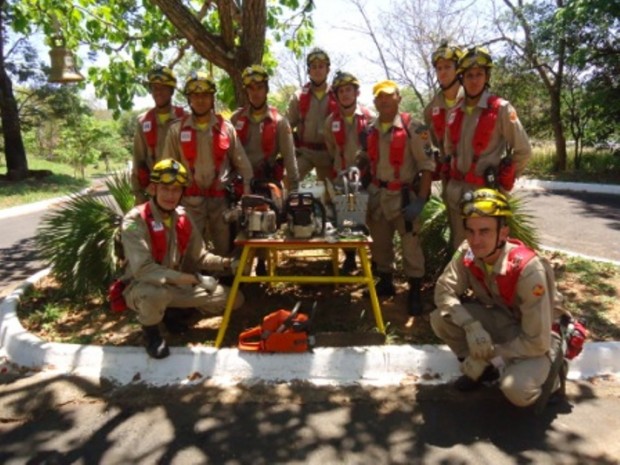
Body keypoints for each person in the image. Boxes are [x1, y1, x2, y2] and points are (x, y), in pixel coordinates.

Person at [431, 188, 565, 408]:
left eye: (484, 231)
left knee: (515, 389)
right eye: (470, 231)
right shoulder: (469, 252)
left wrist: (487, 354)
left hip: (539, 336)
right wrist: (471, 326)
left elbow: (537, 341)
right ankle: (487, 372)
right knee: (441, 318)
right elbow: (443, 290)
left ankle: (553, 380)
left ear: (503, 233)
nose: (475, 240)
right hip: (505, 320)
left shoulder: (528, 270)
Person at [120, 159, 243, 359]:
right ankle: (151, 334)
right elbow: (145, 270)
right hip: (143, 287)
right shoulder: (134, 221)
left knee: (234, 299)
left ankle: (172, 311)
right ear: (153, 189)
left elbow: (200, 256)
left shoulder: (183, 217)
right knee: (154, 294)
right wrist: (195, 279)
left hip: (176, 286)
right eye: (165, 189)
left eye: (176, 190)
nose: (171, 195)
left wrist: (227, 263)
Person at [444, 46, 532, 249]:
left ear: (487, 77)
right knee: (460, 250)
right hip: (457, 195)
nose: (474, 80)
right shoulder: (454, 112)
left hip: (487, 196)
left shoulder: (500, 109)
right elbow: (449, 151)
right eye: (469, 75)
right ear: (462, 78)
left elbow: (524, 150)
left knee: (487, 250)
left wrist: (505, 181)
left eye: (479, 74)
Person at [363, 80, 435, 321]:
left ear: (398, 98)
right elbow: (366, 160)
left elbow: (427, 166)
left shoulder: (414, 128)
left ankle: (415, 291)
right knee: (380, 244)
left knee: (411, 246)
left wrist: (421, 200)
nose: (384, 100)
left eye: (388, 95)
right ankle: (386, 282)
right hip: (378, 196)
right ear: (374, 102)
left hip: (404, 198)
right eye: (379, 97)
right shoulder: (370, 130)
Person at [162, 71, 253, 257]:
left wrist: (247, 193)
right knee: (190, 252)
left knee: (224, 250)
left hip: (220, 203)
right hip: (190, 203)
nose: (200, 100)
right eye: (195, 95)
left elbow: (244, 166)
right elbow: (167, 169)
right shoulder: (176, 130)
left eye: (205, 95)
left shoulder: (226, 129)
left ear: (212, 98)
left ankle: (225, 275)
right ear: (189, 99)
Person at [231, 64, 300, 275]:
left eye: (260, 87)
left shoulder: (280, 122)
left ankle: (262, 264)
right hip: (241, 184)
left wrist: (293, 194)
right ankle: (238, 271)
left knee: (263, 227)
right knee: (239, 229)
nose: (256, 92)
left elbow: (290, 159)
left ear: (266, 88)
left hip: (266, 185)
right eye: (251, 88)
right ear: (246, 91)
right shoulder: (235, 120)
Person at [323, 70, 375, 274]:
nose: (345, 94)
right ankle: (350, 257)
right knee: (347, 221)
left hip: (367, 177)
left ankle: (377, 263)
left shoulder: (370, 118)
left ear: (356, 92)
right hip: (342, 177)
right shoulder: (330, 122)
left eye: (348, 90)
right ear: (336, 95)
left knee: (371, 221)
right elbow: (331, 149)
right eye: (341, 91)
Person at [132, 65, 186, 204]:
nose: (158, 92)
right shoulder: (143, 121)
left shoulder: (185, 119)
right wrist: (139, 194)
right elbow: (138, 160)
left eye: (163, 88)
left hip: (182, 192)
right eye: (154, 88)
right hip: (154, 192)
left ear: (171, 91)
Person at [287, 47, 339, 182]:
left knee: (330, 191)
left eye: (321, 66)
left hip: (327, 154)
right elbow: (286, 126)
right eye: (313, 67)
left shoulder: (337, 96)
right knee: (288, 179)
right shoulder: (298, 96)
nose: (317, 70)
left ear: (328, 70)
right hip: (305, 152)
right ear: (309, 71)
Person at [423, 41, 463, 202]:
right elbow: (432, 144)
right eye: (439, 68)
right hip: (450, 183)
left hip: (479, 184)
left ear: (458, 69)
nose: (442, 72)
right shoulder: (430, 110)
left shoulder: (476, 101)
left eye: (447, 67)